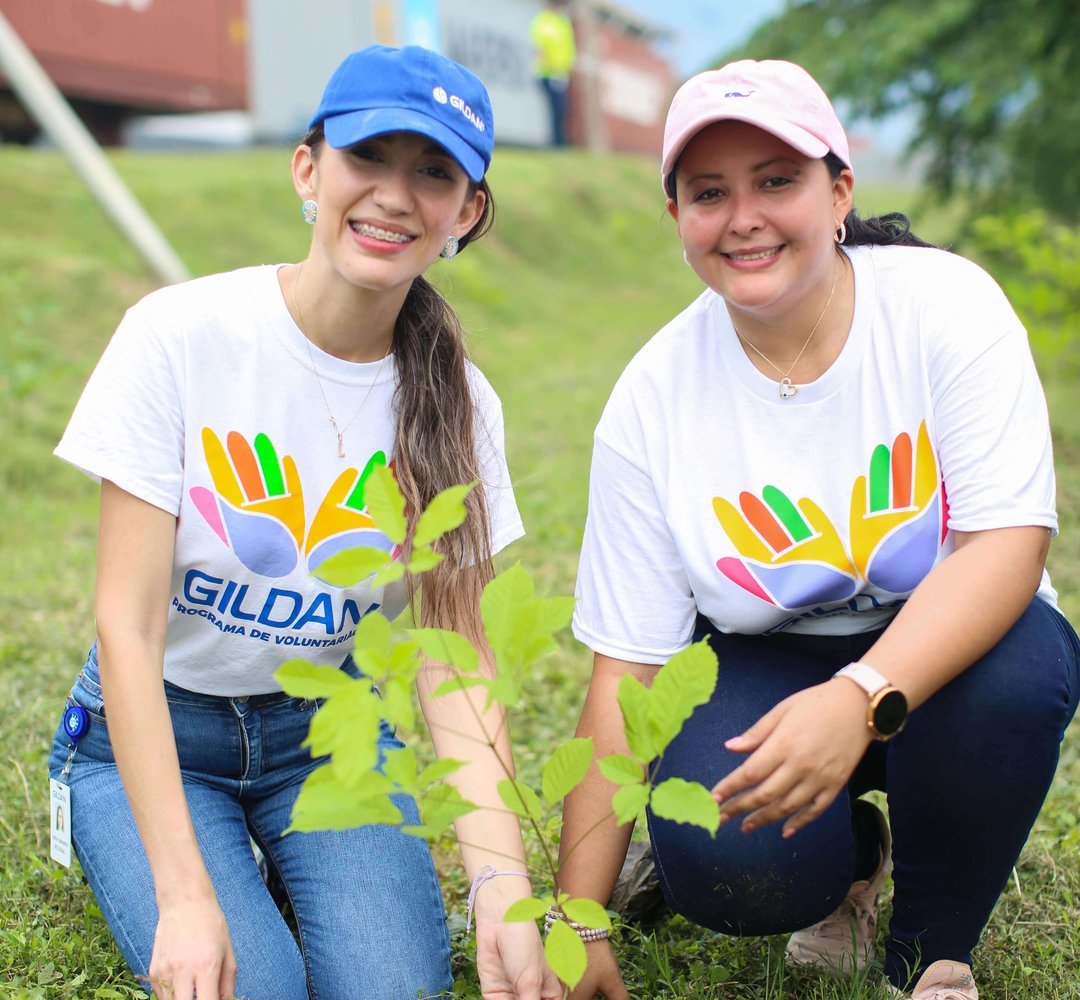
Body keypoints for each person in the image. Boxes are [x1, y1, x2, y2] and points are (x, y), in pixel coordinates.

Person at [558, 58, 1080, 1000]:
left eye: (777, 180)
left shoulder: (944, 309)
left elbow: (1007, 546)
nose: (744, 216)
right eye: (709, 192)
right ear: (676, 216)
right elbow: (626, 679)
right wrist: (575, 918)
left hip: (957, 645)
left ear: (838, 192)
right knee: (719, 852)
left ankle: (931, 955)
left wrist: (860, 695)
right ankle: (847, 867)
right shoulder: (652, 399)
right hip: (765, 661)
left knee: (1015, 682)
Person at [48, 44, 560, 1000]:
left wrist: (500, 885)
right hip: (152, 729)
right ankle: (203, 859)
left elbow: (453, 654)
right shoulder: (182, 337)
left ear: (468, 210)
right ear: (308, 168)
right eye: (369, 158)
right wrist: (186, 894)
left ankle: (285, 862)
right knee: (255, 986)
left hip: (327, 734)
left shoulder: (461, 405)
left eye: (434, 173)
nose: (395, 197)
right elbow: (128, 625)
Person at [529, 0, 577, 147]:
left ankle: (560, 140)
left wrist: (567, 68)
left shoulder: (564, 22)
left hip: (561, 73)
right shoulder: (543, 20)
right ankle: (556, 142)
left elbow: (568, 47)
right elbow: (539, 46)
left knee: (562, 109)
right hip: (547, 73)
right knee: (555, 108)